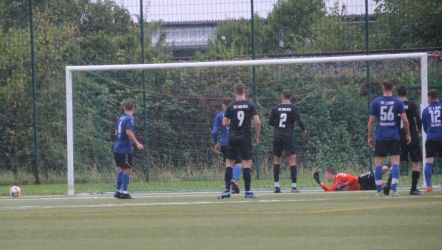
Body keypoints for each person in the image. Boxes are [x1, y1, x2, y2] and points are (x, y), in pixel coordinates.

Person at [367, 80, 411, 197]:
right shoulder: (398, 102)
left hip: (381, 136)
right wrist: (408, 134)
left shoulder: (375, 102)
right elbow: (405, 121)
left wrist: (369, 137)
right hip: (394, 136)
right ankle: (393, 190)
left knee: (378, 164)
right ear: (392, 88)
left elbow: (371, 122)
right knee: (395, 163)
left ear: (382, 88)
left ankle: (378, 191)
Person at [218, 83, 261, 199]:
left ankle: (227, 191)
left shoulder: (231, 106)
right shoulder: (250, 105)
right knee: (246, 163)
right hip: (245, 137)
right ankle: (248, 192)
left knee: (229, 163)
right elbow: (257, 122)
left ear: (235, 92)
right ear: (244, 92)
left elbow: (224, 123)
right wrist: (256, 136)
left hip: (232, 137)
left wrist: (233, 124)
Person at [269, 91, 307, 193]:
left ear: (282, 97)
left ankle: (277, 186)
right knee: (292, 160)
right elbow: (299, 121)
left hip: (277, 135)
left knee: (277, 160)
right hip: (288, 136)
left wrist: (278, 125)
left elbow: (270, 122)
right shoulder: (293, 108)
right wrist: (304, 129)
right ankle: (293, 187)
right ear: (290, 97)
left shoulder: (276, 108)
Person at [113, 101, 144, 199]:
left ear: (124, 108)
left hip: (117, 147)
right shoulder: (130, 118)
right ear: (134, 108)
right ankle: (125, 193)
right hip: (124, 148)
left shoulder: (120, 118)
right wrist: (137, 143)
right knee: (127, 170)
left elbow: (116, 133)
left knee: (122, 169)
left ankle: (118, 192)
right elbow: (128, 132)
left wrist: (119, 140)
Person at [396, 86, 423, 195]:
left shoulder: (395, 104)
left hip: (398, 136)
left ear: (397, 93)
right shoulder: (412, 104)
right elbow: (418, 119)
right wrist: (419, 129)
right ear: (406, 93)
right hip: (412, 135)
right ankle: (413, 188)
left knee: (398, 161)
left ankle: (389, 185)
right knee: (416, 161)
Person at [212, 99, 242, 193]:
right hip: (236, 141)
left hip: (225, 143)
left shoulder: (219, 115)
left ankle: (228, 188)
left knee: (228, 164)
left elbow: (214, 131)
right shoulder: (236, 113)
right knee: (238, 162)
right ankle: (234, 180)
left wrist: (215, 142)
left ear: (223, 105)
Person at [422, 89, 442, 193]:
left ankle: (429, 186)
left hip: (431, 138)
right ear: (437, 96)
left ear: (429, 97)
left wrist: (430, 132)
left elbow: (425, 127)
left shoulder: (425, 110)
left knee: (429, 162)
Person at [313, 166, 390, 192]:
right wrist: (319, 181)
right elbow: (329, 190)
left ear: (330, 174)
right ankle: (390, 182)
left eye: (326, 174)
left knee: (377, 172)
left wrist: (345, 184)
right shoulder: (336, 184)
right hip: (362, 188)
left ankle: (390, 165)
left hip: (361, 180)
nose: (325, 176)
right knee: (382, 185)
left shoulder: (339, 176)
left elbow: (352, 178)